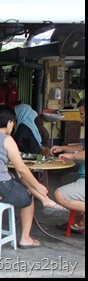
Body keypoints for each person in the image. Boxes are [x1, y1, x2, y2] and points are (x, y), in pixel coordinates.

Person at [0, 105, 68, 249]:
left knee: (16, 177)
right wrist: (37, 185)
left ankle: (46, 200)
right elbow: (22, 168)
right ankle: (26, 238)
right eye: (13, 122)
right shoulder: (7, 139)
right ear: (10, 122)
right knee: (28, 198)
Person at [52, 98, 85, 232]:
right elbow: (82, 147)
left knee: (59, 195)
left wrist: (72, 156)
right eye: (81, 115)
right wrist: (62, 148)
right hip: (82, 175)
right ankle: (76, 217)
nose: (82, 118)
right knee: (66, 178)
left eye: (83, 115)